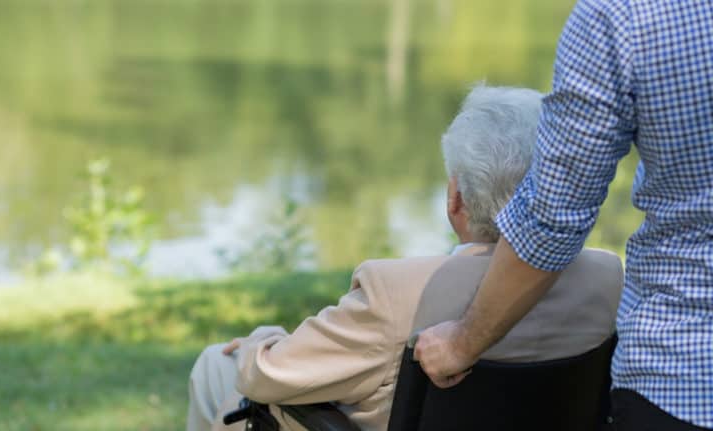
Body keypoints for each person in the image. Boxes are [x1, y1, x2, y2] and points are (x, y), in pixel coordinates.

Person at [186, 85, 624, 431]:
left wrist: (260, 338)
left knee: (215, 366)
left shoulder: (397, 293)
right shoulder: (604, 278)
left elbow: (266, 376)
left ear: (456, 199)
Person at [414, 1, 713, 430]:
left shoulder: (627, 17)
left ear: (454, 198)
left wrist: (463, 342)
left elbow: (554, 215)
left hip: (685, 376)